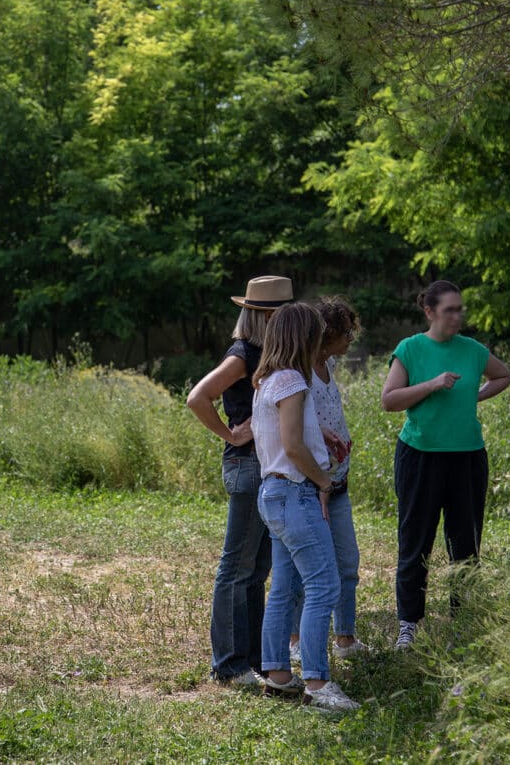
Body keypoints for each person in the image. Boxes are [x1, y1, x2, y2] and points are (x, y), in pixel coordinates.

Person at [381, 279, 510, 650]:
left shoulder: (472, 349)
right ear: (430, 312)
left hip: (467, 456)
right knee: (415, 541)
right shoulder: (411, 348)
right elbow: (389, 400)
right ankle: (409, 622)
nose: (458, 315)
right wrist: (433, 385)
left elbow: (502, 375)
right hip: (420, 456)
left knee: (466, 544)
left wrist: (474, 396)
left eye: (460, 309)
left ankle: (464, 619)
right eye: (450, 309)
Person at [187, 275, 293, 688]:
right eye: (281, 313)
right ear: (265, 316)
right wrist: (231, 434)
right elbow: (198, 397)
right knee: (237, 566)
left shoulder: (270, 353)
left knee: (256, 568)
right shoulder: (244, 354)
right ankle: (229, 665)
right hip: (246, 465)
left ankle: (252, 658)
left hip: (264, 466)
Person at [254, 302, 360, 712]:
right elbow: (294, 447)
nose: (323, 338)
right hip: (296, 493)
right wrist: (324, 481)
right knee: (323, 585)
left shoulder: (269, 380)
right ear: (304, 337)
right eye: (317, 331)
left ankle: (278, 675)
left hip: (272, 493)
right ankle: (317, 683)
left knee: (283, 587)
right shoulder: (294, 383)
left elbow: (289, 437)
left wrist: (323, 434)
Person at [287, 297, 368, 665]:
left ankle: (345, 637)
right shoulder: (298, 371)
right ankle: (294, 640)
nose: (351, 338)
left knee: (347, 562)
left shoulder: (329, 363)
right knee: (309, 568)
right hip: (311, 483)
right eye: (346, 332)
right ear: (326, 335)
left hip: (339, 482)